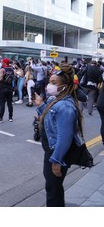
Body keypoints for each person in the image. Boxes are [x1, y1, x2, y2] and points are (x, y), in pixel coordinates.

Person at [35, 63, 84, 207]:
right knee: (53, 187)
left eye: (53, 83)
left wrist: (56, 160)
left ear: (63, 86)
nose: (49, 85)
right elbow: (51, 118)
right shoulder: (55, 100)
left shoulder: (65, 107)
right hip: (51, 150)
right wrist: (40, 106)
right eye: (49, 81)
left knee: (53, 189)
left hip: (57, 153)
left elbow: (65, 138)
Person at [0, 58, 14, 122]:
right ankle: (10, 117)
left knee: (2, 103)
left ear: (5, 63)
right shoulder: (11, 69)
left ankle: (1, 117)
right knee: (9, 103)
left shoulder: (2, 69)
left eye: (2, 62)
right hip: (10, 88)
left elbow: (1, 79)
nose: (1, 63)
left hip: (3, 88)